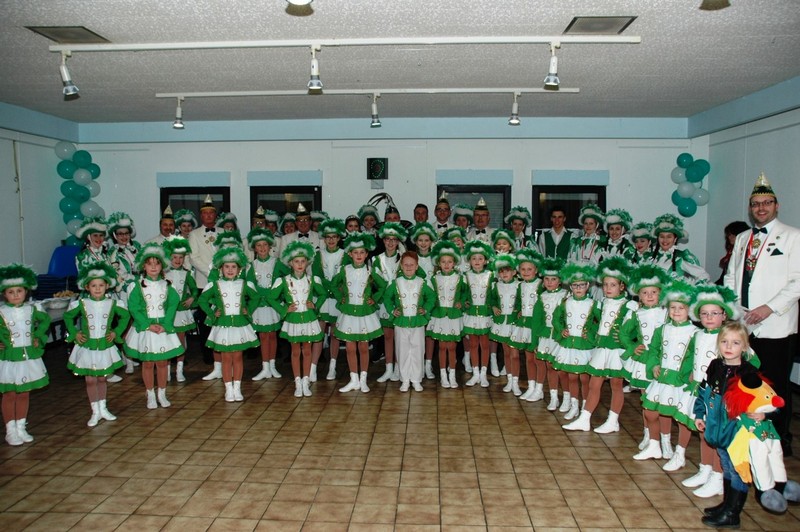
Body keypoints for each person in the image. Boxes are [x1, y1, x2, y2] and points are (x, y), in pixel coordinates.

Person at [723, 172, 800, 456]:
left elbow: (797, 281)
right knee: (746, 380)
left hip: (776, 324)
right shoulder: (743, 237)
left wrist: (768, 308)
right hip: (745, 324)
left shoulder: (793, 237)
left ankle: (779, 439)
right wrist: (735, 308)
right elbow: (731, 276)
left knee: (776, 383)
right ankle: (748, 433)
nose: (761, 208)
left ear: (776, 206)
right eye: (756, 204)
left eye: (767, 203)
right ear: (750, 208)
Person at [681, 283, 749, 498]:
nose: (709, 317)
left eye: (714, 313)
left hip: (725, 401)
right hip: (706, 393)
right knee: (705, 434)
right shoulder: (699, 335)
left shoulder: (731, 335)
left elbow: (752, 365)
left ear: (724, 315)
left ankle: (719, 476)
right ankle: (705, 469)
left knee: (720, 439)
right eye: (704, 313)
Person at [693, 321, 760, 529]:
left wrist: (762, 413)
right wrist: (699, 413)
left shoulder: (748, 372)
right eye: (724, 342)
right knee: (726, 464)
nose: (729, 347)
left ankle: (732, 513)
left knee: (738, 468)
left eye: (735, 343)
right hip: (717, 426)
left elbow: (765, 400)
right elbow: (703, 392)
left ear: (745, 347)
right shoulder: (715, 366)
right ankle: (726, 504)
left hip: (737, 430)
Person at [564, 257, 637, 433]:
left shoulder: (630, 305)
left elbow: (637, 329)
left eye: (613, 285)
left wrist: (626, 341)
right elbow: (593, 324)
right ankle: (584, 419)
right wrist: (589, 334)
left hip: (616, 351)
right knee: (594, 384)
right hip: (601, 349)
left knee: (616, 385)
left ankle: (613, 421)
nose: (608, 288)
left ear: (622, 286)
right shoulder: (602, 303)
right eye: (605, 285)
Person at [633, 278, 699, 466]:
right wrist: (654, 365)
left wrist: (688, 373)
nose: (676, 312)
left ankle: (678, 452)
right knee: (651, 412)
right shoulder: (662, 329)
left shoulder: (694, 332)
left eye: (681, 308)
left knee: (681, 417)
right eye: (672, 308)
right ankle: (654, 445)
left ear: (689, 310)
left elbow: (696, 356)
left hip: (680, 381)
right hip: (661, 378)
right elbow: (653, 350)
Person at [64, 262, 130, 427]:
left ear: (107, 286)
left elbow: (125, 316)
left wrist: (116, 332)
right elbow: (68, 317)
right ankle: (94, 411)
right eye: (94, 285)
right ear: (87, 287)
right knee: (90, 380)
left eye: (101, 285)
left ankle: (103, 408)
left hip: (104, 346)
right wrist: (74, 333)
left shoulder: (112, 303)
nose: (98, 288)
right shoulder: (81, 303)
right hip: (87, 347)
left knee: (102, 378)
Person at [124, 243, 184, 409]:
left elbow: (172, 305)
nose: (153, 267)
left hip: (163, 328)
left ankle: (162, 393)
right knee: (148, 363)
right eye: (149, 264)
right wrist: (147, 325)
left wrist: (165, 324)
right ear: (143, 266)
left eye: (157, 264)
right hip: (146, 329)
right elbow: (134, 307)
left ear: (162, 266)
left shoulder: (168, 286)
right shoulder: (137, 286)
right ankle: (150, 394)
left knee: (163, 363)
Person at [199, 247, 260, 402]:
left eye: (234, 267)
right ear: (221, 268)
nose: (230, 270)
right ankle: (228, 389)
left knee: (238, 357)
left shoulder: (244, 284)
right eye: (227, 266)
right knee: (226, 357)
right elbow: (202, 300)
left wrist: (248, 310)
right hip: (223, 325)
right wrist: (212, 314)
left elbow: (256, 298)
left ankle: (237, 388)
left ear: (239, 269)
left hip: (239, 324)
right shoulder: (215, 284)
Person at [620, 264, 669, 450]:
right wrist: (632, 347)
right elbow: (623, 333)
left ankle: (665, 441)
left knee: (663, 402)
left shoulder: (667, 313)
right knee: (647, 401)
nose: (649, 296)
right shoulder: (636, 313)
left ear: (660, 293)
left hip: (663, 362)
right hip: (643, 361)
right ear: (639, 295)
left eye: (653, 292)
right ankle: (648, 434)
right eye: (645, 293)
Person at [0, 264, 50, 446]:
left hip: (28, 357)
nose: (15, 295)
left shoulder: (32, 309)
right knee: (10, 394)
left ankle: (21, 426)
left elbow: (45, 321)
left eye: (19, 291)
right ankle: (10, 430)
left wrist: (38, 337)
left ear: (26, 292)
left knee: (24, 393)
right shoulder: (2, 312)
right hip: (9, 358)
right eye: (11, 292)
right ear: (4, 294)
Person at [268, 241, 326, 398]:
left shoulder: (312, 280)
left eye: (303, 261)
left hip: (308, 318)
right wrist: (284, 309)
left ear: (307, 263)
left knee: (307, 350)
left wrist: (315, 305)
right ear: (290, 263)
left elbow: (323, 293)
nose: (300, 265)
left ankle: (306, 381)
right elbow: (271, 297)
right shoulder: (283, 281)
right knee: (295, 351)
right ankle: (297, 382)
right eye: (296, 261)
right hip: (293, 319)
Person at [332, 232, 383, 393]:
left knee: (363, 347)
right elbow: (333, 285)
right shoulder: (344, 270)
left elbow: (383, 286)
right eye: (355, 252)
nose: (359, 255)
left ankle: (363, 379)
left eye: (362, 252)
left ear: (367, 254)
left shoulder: (370, 270)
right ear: (350, 254)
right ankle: (353, 379)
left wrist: (374, 299)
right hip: (349, 313)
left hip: (364, 313)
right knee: (350, 347)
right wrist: (341, 298)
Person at [551, 262, 599, 420]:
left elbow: (600, 322)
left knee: (584, 378)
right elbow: (556, 319)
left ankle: (585, 406)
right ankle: (574, 405)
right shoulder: (565, 302)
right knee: (572, 376)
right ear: (570, 287)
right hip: (569, 344)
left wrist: (590, 333)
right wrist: (561, 330)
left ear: (588, 286)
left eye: (582, 285)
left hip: (584, 346)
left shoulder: (593, 304)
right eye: (575, 285)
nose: (578, 288)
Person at [384, 251, 435, 392]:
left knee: (418, 349)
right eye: (405, 264)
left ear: (417, 266)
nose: (408, 267)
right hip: (401, 321)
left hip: (417, 322)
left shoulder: (422, 282)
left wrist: (425, 309)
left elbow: (432, 297)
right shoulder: (396, 282)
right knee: (402, 350)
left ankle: (416, 379)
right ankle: (405, 379)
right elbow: (387, 297)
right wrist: (392, 310)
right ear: (401, 266)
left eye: (411, 265)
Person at [245, 228, 288, 381]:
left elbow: (287, 279)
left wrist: (280, 296)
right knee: (263, 336)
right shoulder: (251, 265)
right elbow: (249, 285)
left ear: (270, 246)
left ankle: (272, 365)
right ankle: (265, 367)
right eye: (259, 245)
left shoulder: (277, 263)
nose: (262, 248)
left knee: (273, 335)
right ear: (254, 248)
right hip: (259, 306)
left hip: (273, 305)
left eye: (265, 245)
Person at [426, 240, 466, 389]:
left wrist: (461, 302)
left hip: (454, 316)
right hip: (440, 316)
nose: (447, 264)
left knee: (452, 347)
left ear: (454, 263)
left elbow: (465, 293)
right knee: (442, 347)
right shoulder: (434, 279)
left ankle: (452, 374)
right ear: (438, 263)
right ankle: (443, 375)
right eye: (443, 262)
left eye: (450, 262)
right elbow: (429, 296)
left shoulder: (460, 278)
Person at [508, 248, 544, 401]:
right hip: (523, 324)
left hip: (536, 325)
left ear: (536, 270)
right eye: (523, 269)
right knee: (529, 358)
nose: (526, 272)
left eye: (529, 269)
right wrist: (518, 311)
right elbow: (518, 302)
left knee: (537, 359)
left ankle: (539, 389)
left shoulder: (541, 284)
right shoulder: (520, 285)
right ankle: (531, 386)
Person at [188, 195, 220, 370]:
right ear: (201, 216)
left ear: (215, 215)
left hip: (222, 282)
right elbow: (193, 258)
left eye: (211, 213)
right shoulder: (194, 234)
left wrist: (221, 273)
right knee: (205, 319)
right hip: (203, 282)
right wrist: (211, 273)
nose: (208, 216)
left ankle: (222, 350)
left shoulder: (223, 232)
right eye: (205, 213)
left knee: (220, 316)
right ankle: (207, 354)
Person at [311, 219, 346, 381]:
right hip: (323, 297)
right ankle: (313, 367)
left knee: (334, 334)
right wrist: (329, 288)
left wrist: (336, 290)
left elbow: (344, 277)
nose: (331, 240)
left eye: (334, 237)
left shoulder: (345, 255)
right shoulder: (318, 255)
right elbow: (316, 276)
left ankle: (332, 366)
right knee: (319, 333)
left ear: (339, 238)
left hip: (337, 298)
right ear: (324, 239)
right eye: (328, 237)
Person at [372, 222, 407, 383]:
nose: (391, 242)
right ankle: (388, 369)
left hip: (402, 302)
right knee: (388, 336)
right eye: (387, 239)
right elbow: (377, 282)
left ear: (398, 241)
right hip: (385, 303)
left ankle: (399, 369)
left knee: (400, 338)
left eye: (394, 239)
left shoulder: (404, 258)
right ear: (383, 240)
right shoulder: (376, 259)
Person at [531, 257, 568, 410]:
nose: (549, 282)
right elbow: (537, 320)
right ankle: (553, 398)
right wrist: (535, 341)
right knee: (548, 365)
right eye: (546, 279)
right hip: (546, 336)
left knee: (561, 369)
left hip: (561, 337)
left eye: (553, 279)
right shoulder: (542, 296)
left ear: (560, 281)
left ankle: (567, 398)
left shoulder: (566, 295)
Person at [163, 236, 198, 383]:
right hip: (167, 312)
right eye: (174, 257)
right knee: (166, 340)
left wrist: (192, 298)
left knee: (181, 340)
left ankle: (179, 370)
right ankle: (166, 371)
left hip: (181, 311)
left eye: (181, 257)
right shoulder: (163, 273)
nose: (177, 260)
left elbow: (194, 289)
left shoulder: (187, 273)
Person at [462, 240, 495, 387]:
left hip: (485, 315)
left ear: (486, 261)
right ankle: (475, 374)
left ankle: (483, 374)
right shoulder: (466, 275)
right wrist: (464, 302)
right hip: (471, 315)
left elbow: (493, 295)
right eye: (474, 258)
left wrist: (492, 307)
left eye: (480, 258)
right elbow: (463, 293)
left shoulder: (490, 275)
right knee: (473, 344)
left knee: (485, 345)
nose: (477, 261)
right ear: (469, 260)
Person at [489, 253, 521, 394]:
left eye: (507, 270)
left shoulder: (519, 285)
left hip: (514, 323)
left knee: (515, 354)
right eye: (501, 271)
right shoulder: (496, 285)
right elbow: (492, 299)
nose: (504, 274)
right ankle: (509, 380)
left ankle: (516, 382)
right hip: (502, 323)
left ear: (514, 272)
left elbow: (522, 300)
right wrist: (494, 307)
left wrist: (519, 309)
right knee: (506, 353)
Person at [650, 213, 710, 281]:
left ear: (675, 239)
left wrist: (691, 287)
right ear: (658, 238)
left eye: (669, 237)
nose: (665, 240)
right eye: (662, 236)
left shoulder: (681, 257)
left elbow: (703, 275)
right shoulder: (651, 257)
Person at [107, 211, 141, 302]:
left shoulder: (137, 246)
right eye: (120, 234)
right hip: (124, 290)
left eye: (126, 233)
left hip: (141, 286)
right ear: (115, 235)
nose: (124, 236)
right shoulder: (112, 252)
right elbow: (115, 272)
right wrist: (133, 280)